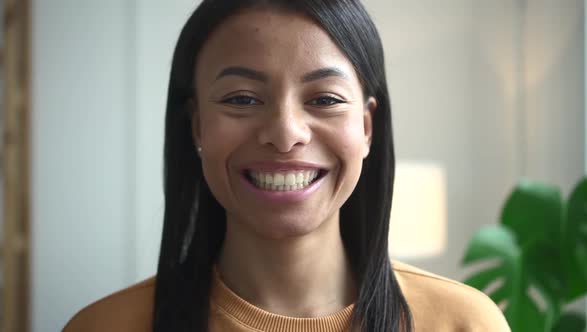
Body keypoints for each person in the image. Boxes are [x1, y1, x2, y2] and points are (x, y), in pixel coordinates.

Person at [63, 1, 510, 331]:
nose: (285, 132)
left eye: (324, 99)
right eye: (241, 99)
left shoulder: (465, 324)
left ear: (368, 127)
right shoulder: (103, 326)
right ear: (197, 127)